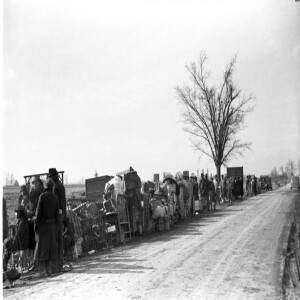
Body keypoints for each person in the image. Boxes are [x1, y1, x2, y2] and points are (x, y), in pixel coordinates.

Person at [34, 178, 59, 277]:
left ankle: (42, 272)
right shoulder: (55, 198)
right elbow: (58, 215)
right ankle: (49, 270)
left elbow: (38, 213)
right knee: (50, 249)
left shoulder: (42, 196)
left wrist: (36, 225)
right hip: (52, 227)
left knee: (41, 249)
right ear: (52, 187)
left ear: (46, 186)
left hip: (43, 227)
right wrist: (56, 226)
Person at [48, 168, 66, 273]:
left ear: (55, 176)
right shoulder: (60, 185)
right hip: (61, 215)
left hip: (58, 216)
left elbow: (57, 203)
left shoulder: (56, 186)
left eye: (51, 177)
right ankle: (59, 264)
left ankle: (58, 265)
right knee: (59, 240)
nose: (50, 179)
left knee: (57, 241)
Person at [3, 205, 29, 272]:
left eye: (17, 212)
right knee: (7, 243)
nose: (16, 214)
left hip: (22, 243)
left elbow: (19, 235)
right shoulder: (21, 221)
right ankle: (5, 262)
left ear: (21, 213)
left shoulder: (23, 222)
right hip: (19, 241)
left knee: (7, 245)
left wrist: (13, 240)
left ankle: (4, 263)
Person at [27, 175, 44, 270]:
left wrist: (33, 213)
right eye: (33, 184)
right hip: (33, 219)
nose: (35, 185)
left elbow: (40, 208)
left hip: (40, 220)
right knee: (32, 241)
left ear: (39, 183)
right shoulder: (32, 194)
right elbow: (31, 206)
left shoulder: (42, 193)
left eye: (36, 183)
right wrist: (29, 212)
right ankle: (34, 261)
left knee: (39, 241)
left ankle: (39, 262)